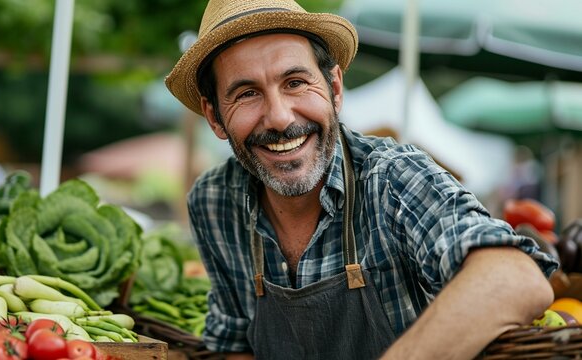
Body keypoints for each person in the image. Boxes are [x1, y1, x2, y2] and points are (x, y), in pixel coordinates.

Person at [164, 0, 558, 359]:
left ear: (334, 89)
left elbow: (515, 277)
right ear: (215, 117)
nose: (281, 118)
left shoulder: (391, 178)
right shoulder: (215, 201)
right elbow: (234, 345)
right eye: (247, 93)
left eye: (296, 83)